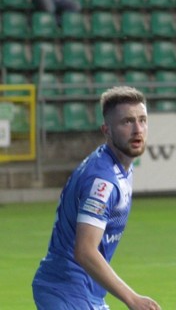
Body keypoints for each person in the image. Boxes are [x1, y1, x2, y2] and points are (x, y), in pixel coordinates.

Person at [32, 86, 160, 310]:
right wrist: (132, 299)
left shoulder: (116, 165)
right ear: (106, 130)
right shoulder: (103, 181)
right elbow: (85, 250)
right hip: (67, 290)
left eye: (142, 120)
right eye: (127, 122)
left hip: (83, 291)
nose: (138, 129)